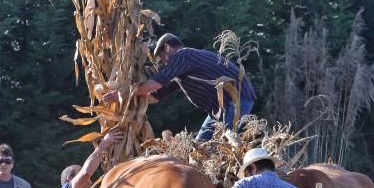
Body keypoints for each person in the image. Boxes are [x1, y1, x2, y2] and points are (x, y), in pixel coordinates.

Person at [101, 34, 257, 141]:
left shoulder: (183, 55)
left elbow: (155, 84)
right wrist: (134, 105)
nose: (161, 62)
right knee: (201, 143)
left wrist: (122, 95)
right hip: (221, 108)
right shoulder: (182, 69)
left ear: (167, 47)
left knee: (227, 141)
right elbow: (157, 95)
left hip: (236, 99)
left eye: (160, 56)